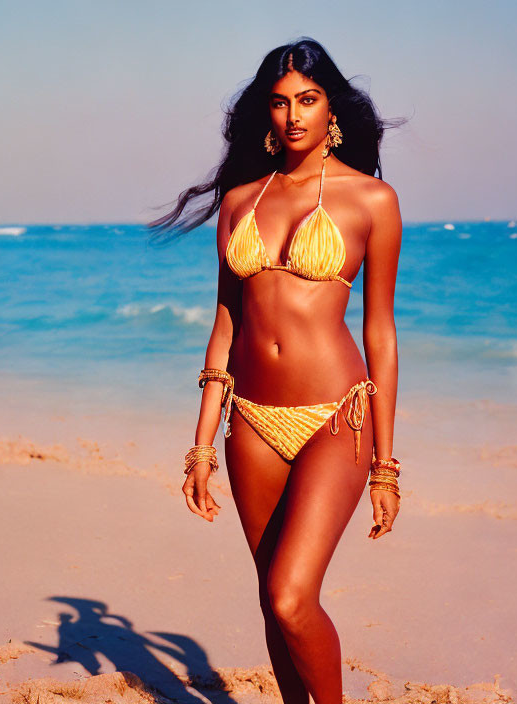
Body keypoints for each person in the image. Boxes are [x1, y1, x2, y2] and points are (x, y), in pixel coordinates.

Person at [148, 37, 404, 703]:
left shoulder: (371, 199)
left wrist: (386, 464)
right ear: (267, 113)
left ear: (332, 111)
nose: (294, 115)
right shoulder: (240, 202)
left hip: (335, 417)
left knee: (293, 597)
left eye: (309, 101)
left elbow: (381, 331)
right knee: (271, 600)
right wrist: (200, 445)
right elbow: (224, 328)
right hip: (252, 423)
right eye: (281, 101)